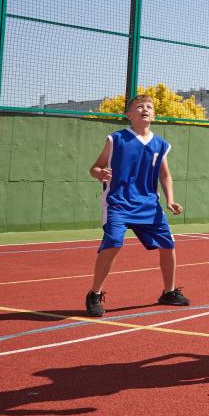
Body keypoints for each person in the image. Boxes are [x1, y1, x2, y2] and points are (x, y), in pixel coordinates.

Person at [85, 94, 189, 317]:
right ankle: (94, 294)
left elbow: (165, 175)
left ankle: (169, 292)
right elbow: (95, 168)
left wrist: (170, 200)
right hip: (119, 202)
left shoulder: (160, 144)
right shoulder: (116, 139)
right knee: (113, 243)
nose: (145, 109)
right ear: (129, 115)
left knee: (168, 244)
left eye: (149, 107)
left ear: (154, 115)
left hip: (148, 205)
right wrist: (100, 173)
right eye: (140, 106)